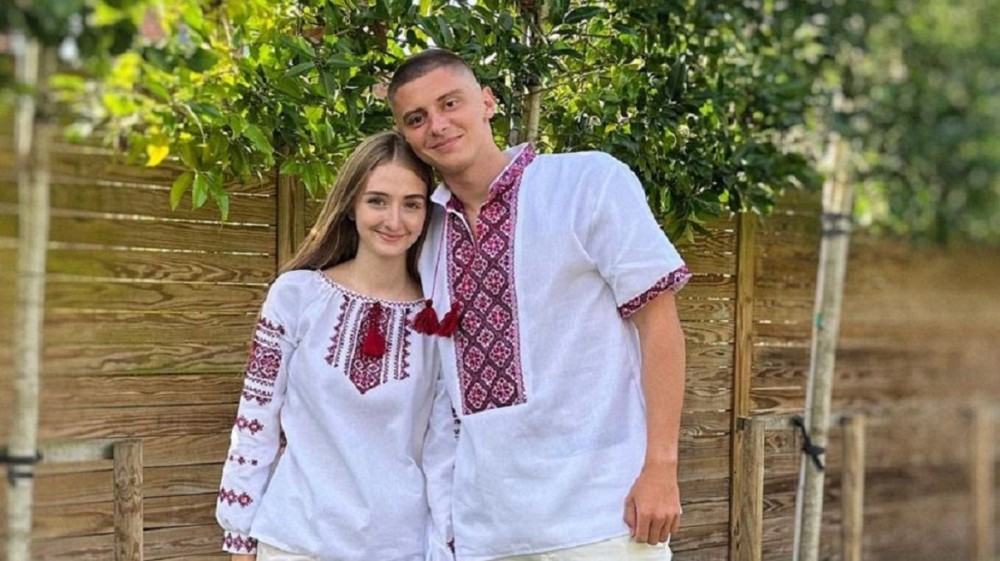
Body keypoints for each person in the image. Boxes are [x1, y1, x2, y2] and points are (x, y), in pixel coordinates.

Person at [388, 49, 692, 561]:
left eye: (449, 103)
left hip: (603, 520)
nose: (436, 125)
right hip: (486, 531)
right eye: (416, 119)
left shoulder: (587, 182)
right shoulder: (427, 235)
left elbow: (659, 325)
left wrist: (661, 467)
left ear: (487, 102)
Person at [215, 131, 455, 561]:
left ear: (427, 213)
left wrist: (445, 547)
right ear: (350, 204)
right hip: (294, 542)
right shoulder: (295, 296)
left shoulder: (438, 318)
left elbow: (443, 449)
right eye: (377, 200)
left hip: (400, 548)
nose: (394, 220)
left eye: (411, 204)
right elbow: (255, 421)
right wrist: (239, 537)